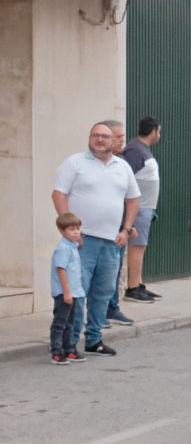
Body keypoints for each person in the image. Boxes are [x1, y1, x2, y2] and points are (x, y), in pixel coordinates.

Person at [52, 121, 140, 358]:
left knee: (103, 292)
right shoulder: (75, 163)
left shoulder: (123, 167)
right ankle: (69, 343)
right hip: (83, 242)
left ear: (114, 141)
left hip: (112, 242)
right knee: (78, 293)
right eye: (95, 136)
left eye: (104, 136)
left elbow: (133, 199)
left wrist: (126, 228)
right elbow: (58, 193)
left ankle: (94, 340)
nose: (99, 140)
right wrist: (68, 230)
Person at [97, 120, 138, 327]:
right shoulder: (97, 164)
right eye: (119, 137)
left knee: (114, 271)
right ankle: (99, 313)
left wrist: (128, 225)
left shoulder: (121, 163)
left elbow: (128, 197)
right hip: (99, 231)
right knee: (102, 275)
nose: (123, 141)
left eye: (123, 137)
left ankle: (112, 309)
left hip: (119, 229)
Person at [119, 116, 163, 303]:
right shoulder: (135, 150)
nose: (159, 135)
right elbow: (124, 180)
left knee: (141, 247)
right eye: (159, 131)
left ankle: (139, 283)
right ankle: (132, 288)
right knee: (136, 247)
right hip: (139, 208)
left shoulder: (141, 149)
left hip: (146, 208)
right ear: (153, 131)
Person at [49, 212, 86, 365]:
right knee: (60, 322)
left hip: (75, 292)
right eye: (72, 229)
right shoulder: (63, 248)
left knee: (70, 323)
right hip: (65, 293)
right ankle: (56, 352)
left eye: (78, 228)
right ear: (62, 231)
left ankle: (68, 349)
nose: (76, 231)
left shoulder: (73, 245)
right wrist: (66, 292)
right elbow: (61, 270)